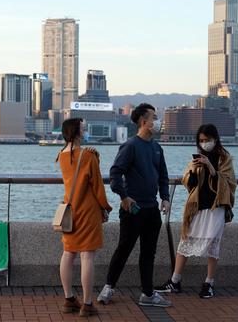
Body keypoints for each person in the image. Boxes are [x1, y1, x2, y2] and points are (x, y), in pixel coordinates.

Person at [97, 103, 172, 308]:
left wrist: (165, 198)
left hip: (152, 210)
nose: (157, 121)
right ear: (143, 121)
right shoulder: (130, 146)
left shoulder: (157, 148)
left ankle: (148, 294)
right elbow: (115, 173)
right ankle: (108, 287)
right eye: (154, 118)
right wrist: (123, 196)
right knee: (124, 248)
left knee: (149, 253)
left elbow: (163, 177)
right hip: (132, 209)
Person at [155, 123, 237, 299]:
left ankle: (209, 283)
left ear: (215, 139)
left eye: (207, 140)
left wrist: (210, 166)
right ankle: (175, 281)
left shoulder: (224, 158)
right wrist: (192, 171)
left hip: (216, 208)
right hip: (197, 207)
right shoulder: (197, 157)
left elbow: (229, 183)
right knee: (185, 242)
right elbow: (188, 182)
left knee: (212, 245)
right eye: (201, 140)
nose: (204, 143)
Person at [56, 118, 113, 317]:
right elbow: (97, 186)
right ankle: (87, 304)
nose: (85, 130)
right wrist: (105, 207)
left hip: (69, 212)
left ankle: (69, 298)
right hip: (88, 212)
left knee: (68, 253)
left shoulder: (60, 155)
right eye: (83, 127)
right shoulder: (88, 156)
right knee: (87, 256)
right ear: (77, 132)